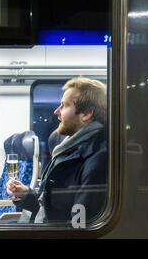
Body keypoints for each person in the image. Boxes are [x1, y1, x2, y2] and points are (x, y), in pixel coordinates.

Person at [7, 77, 107, 224]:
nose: (56, 112)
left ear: (86, 114)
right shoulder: (64, 149)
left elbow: (79, 226)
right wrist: (26, 194)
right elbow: (48, 209)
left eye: (64, 106)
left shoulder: (97, 159)